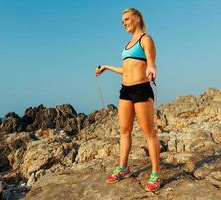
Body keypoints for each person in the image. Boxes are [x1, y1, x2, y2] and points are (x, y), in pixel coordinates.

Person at [95, 8, 161, 192]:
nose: (124, 23)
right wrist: (106, 67)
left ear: (137, 18)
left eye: (126, 19)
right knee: (124, 130)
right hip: (125, 90)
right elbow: (126, 69)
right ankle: (123, 167)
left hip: (141, 89)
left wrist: (152, 69)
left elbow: (151, 62)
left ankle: (155, 173)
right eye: (122, 21)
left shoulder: (145, 39)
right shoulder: (127, 44)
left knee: (149, 133)